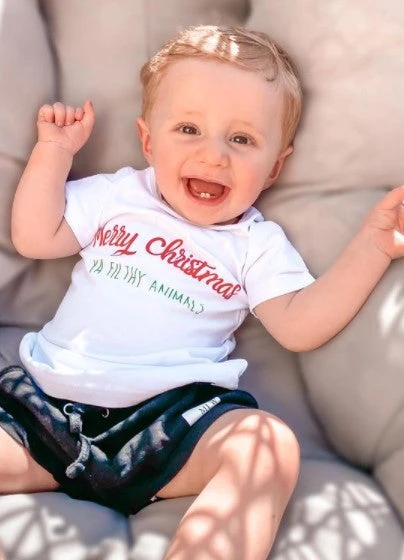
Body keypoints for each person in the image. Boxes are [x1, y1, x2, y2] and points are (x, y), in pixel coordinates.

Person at [1, 23, 404, 560]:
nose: (214, 156)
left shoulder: (255, 243)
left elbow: (299, 324)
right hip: (44, 410)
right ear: (149, 142)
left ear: (274, 168)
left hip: (172, 425)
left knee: (268, 446)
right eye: (188, 129)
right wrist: (53, 152)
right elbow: (35, 236)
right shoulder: (118, 195)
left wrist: (372, 248)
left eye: (242, 139)